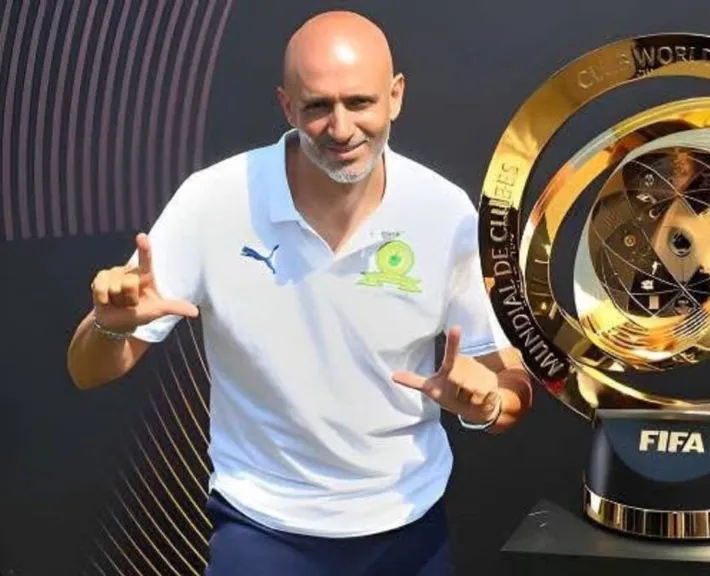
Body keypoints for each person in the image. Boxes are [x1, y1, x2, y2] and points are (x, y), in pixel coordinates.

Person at [65, 10, 533, 576]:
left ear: (395, 96)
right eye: (317, 107)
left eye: (359, 102)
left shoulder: (445, 212)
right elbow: (88, 370)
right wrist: (110, 326)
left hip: (408, 525)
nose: (341, 128)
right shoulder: (212, 202)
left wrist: (488, 405)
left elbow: (510, 382)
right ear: (286, 106)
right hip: (262, 526)